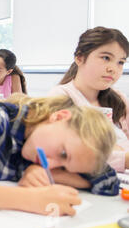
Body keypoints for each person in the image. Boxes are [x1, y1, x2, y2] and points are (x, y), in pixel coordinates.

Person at [0, 94, 120, 216]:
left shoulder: (39, 150)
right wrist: (33, 199)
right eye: (62, 153)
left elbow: (109, 181)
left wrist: (52, 173)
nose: (51, 166)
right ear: (59, 117)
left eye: (62, 167)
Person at [48, 26, 129, 172]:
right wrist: (124, 159)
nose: (113, 68)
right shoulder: (60, 97)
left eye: (120, 62)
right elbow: (66, 154)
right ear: (79, 58)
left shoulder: (119, 100)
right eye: (106, 58)